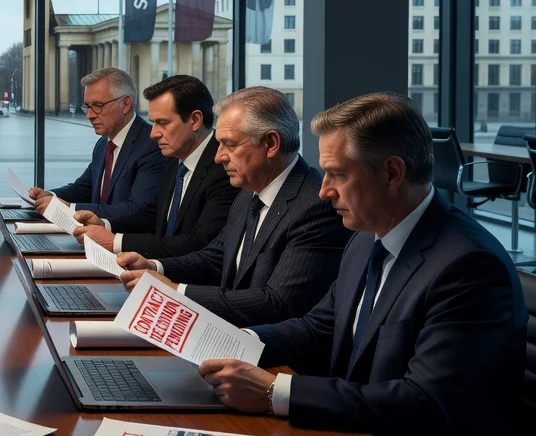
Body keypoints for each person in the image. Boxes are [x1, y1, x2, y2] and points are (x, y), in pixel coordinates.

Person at [196, 92, 526, 436]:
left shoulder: (468, 266)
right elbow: (318, 327)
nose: (323, 191)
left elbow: (423, 404)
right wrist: (235, 342)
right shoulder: (367, 237)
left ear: (392, 173)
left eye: (338, 174)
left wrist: (275, 392)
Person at [117, 86, 350, 327]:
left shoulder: (316, 206)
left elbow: (278, 303)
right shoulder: (249, 191)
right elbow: (216, 257)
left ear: (271, 143)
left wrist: (177, 291)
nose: (219, 157)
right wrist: (156, 267)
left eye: (229, 144)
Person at [72, 75, 239, 258]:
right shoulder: (173, 160)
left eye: (162, 123)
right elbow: (151, 219)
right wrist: (105, 224)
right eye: (153, 123)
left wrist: (115, 242)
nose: (153, 134)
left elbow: (198, 243)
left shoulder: (225, 167)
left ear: (195, 120)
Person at [30, 67, 168, 222]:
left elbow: (137, 210)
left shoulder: (152, 145)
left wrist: (69, 208)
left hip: (126, 244)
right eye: (88, 106)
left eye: (98, 105)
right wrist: (48, 196)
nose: (89, 115)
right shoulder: (104, 143)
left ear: (126, 103)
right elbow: (83, 189)